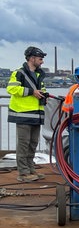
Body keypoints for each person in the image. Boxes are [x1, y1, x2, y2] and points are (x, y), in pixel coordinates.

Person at [6, 46, 48, 182]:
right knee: (23, 144)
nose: (42, 62)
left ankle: (30, 169)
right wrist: (32, 92)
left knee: (33, 143)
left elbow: (41, 90)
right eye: (40, 59)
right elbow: (12, 88)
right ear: (32, 58)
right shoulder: (19, 73)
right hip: (22, 114)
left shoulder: (39, 75)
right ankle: (23, 173)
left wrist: (44, 95)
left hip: (36, 114)